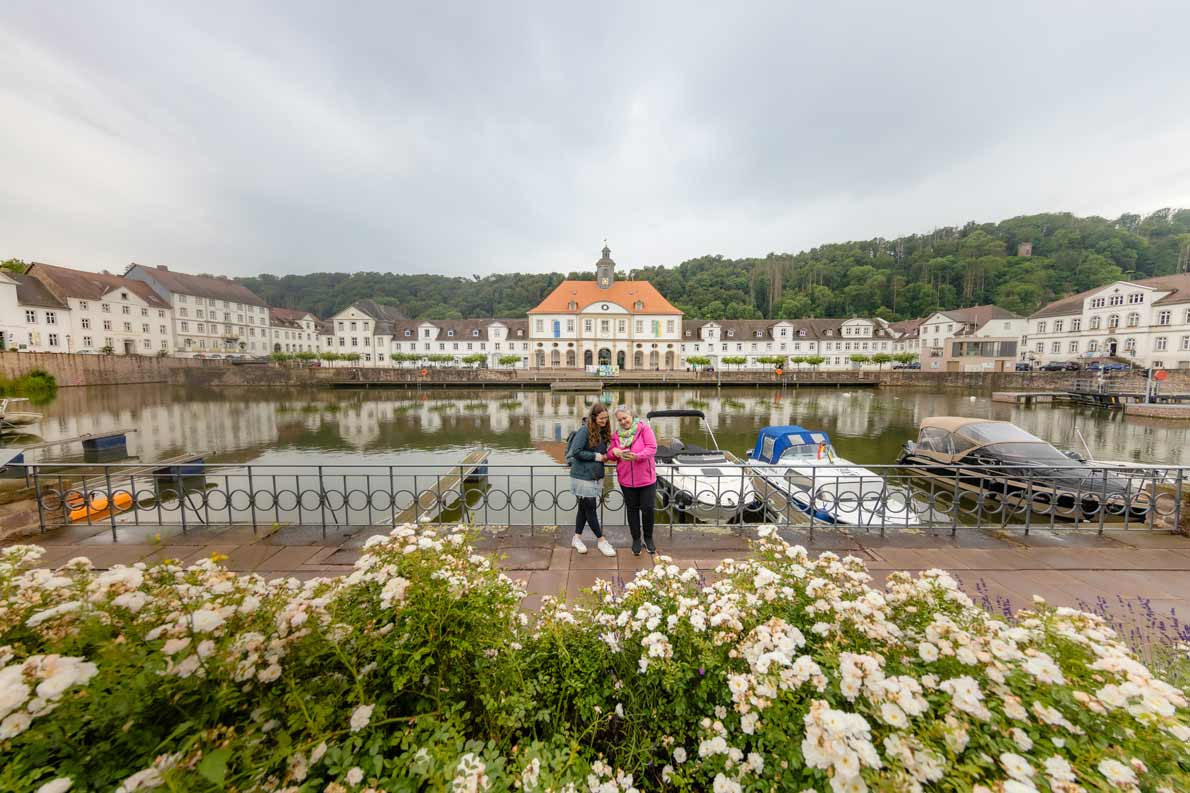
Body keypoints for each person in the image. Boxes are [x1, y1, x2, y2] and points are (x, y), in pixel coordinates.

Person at [565, 402, 616, 556]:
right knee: (590, 508)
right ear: (593, 417)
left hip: (594, 475)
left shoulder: (602, 432)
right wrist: (597, 456)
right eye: (601, 418)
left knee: (584, 508)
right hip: (582, 476)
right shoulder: (584, 430)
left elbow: (603, 452)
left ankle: (576, 538)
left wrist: (609, 455)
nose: (604, 421)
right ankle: (601, 541)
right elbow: (576, 452)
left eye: (606, 418)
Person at [609, 404, 658, 555]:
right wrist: (614, 452)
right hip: (626, 480)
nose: (623, 422)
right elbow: (610, 454)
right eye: (620, 420)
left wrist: (637, 456)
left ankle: (648, 538)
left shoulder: (644, 429)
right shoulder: (616, 435)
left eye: (625, 418)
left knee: (648, 509)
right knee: (632, 510)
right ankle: (636, 539)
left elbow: (652, 448)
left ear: (632, 417)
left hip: (646, 478)